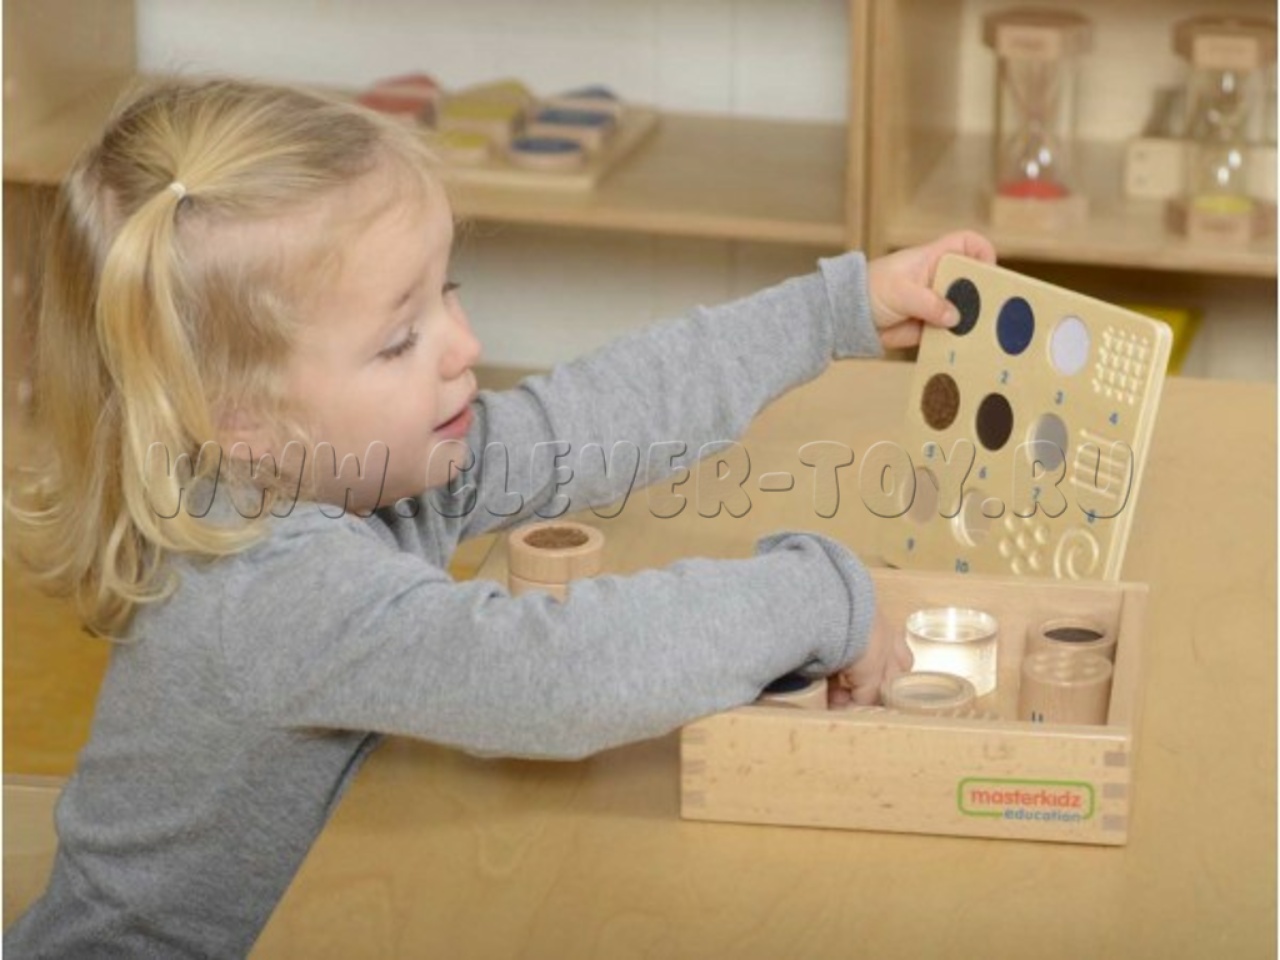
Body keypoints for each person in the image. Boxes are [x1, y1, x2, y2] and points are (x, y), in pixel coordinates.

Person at [4, 74, 997, 956]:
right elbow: (555, 677)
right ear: (239, 420)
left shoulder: (352, 463)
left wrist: (831, 313)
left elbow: (589, 420)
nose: (464, 345)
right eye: (399, 339)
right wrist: (811, 598)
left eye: (447, 293)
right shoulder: (267, 591)